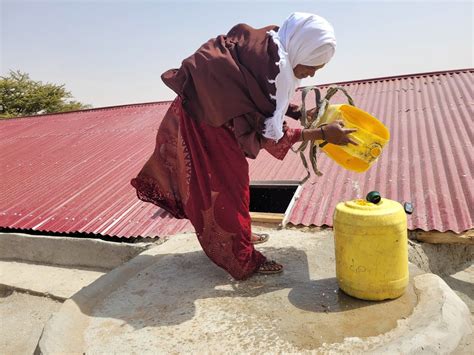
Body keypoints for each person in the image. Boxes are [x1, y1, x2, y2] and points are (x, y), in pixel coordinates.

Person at [131, 12, 356, 280]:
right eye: (311, 66)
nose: (310, 74)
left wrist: (296, 112)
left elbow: (257, 96)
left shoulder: (271, 43)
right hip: (210, 125)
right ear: (299, 49)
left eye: (317, 69)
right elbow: (271, 133)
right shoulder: (276, 66)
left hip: (206, 109)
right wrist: (321, 133)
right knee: (226, 190)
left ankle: (242, 235)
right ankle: (241, 259)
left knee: (234, 186)